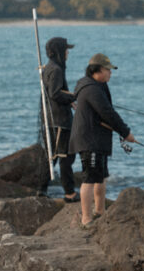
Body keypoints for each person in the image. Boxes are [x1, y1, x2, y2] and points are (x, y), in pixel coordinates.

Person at [68, 52, 135, 226]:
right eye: (108, 70)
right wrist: (125, 132)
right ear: (97, 70)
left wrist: (122, 131)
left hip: (98, 140)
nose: (110, 73)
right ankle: (86, 219)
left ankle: (100, 211)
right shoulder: (91, 88)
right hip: (89, 140)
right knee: (89, 178)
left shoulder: (98, 85)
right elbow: (108, 113)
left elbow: (106, 109)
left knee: (101, 176)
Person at [39, 37, 78, 202]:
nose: (68, 52)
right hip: (59, 120)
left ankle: (41, 190)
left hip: (51, 119)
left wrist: (72, 100)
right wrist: (72, 98)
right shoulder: (56, 70)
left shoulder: (49, 67)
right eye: (66, 50)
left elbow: (54, 92)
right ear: (59, 52)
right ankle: (69, 193)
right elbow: (55, 93)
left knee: (53, 156)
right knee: (65, 157)